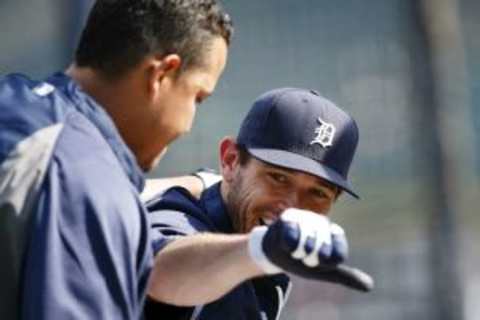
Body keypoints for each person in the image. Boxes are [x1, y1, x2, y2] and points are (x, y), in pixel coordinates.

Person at [0, 1, 233, 319]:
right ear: (161, 74)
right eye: (198, 98)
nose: (190, 122)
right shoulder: (86, 176)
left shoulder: (14, 101)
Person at [144, 88, 374, 319]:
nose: (292, 207)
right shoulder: (179, 218)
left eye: (317, 193)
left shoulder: (263, 243)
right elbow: (157, 271)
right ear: (231, 161)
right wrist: (260, 249)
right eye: (278, 178)